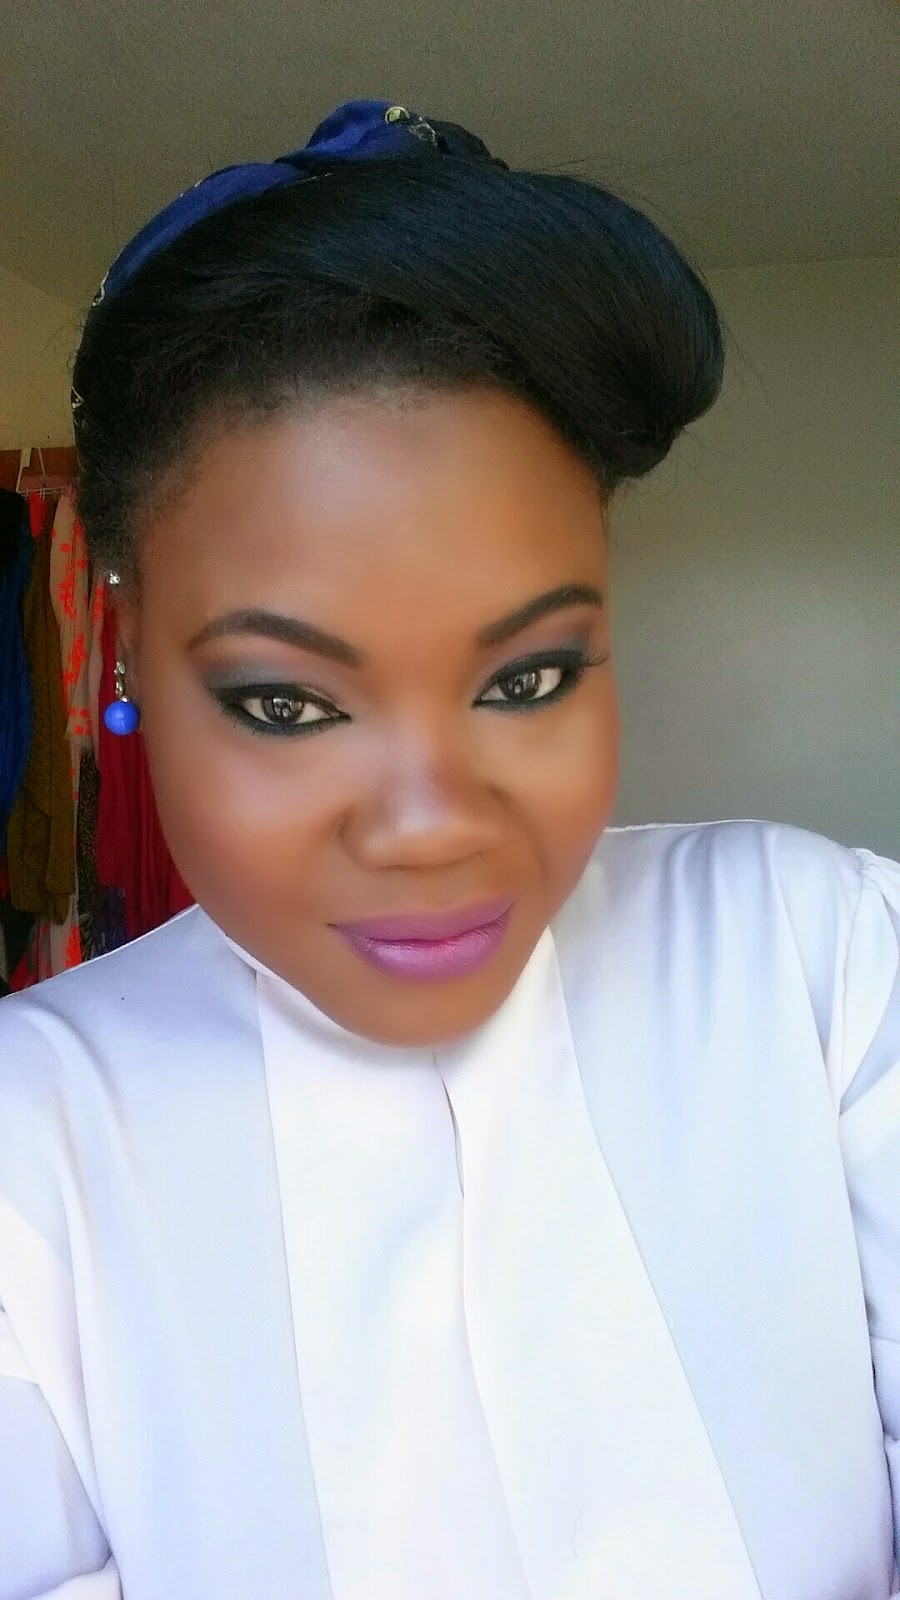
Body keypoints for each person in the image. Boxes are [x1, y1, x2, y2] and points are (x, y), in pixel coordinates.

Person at [0, 99, 897, 1600]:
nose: (428, 826)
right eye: (286, 703)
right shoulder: (30, 1139)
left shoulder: (822, 965)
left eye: (527, 679)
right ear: (126, 636)